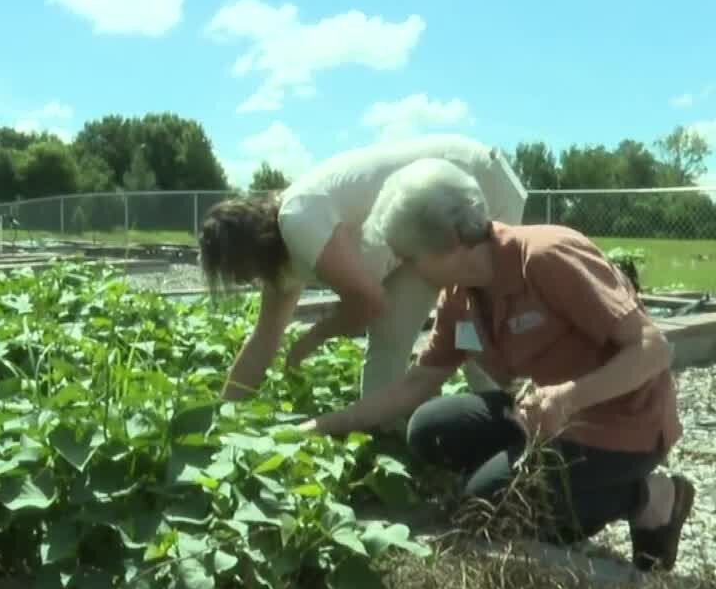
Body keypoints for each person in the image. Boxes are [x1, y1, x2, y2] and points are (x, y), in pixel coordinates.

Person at [298, 158, 695, 571]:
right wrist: (321, 426)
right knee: (429, 430)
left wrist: (569, 397)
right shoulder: (460, 293)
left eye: (410, 258)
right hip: (545, 420)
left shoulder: (546, 257)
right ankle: (527, 481)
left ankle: (650, 495)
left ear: (451, 242)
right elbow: (417, 383)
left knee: (493, 513)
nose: (407, 270)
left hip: (625, 424)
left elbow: (653, 349)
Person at [197, 135, 529, 426]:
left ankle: (510, 430)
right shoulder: (279, 263)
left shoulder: (298, 219)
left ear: (249, 248)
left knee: (471, 327)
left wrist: (315, 336)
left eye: (239, 270)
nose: (244, 280)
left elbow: (367, 301)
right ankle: (389, 437)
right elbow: (262, 341)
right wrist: (224, 418)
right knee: (392, 333)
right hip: (419, 218)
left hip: (468, 184)